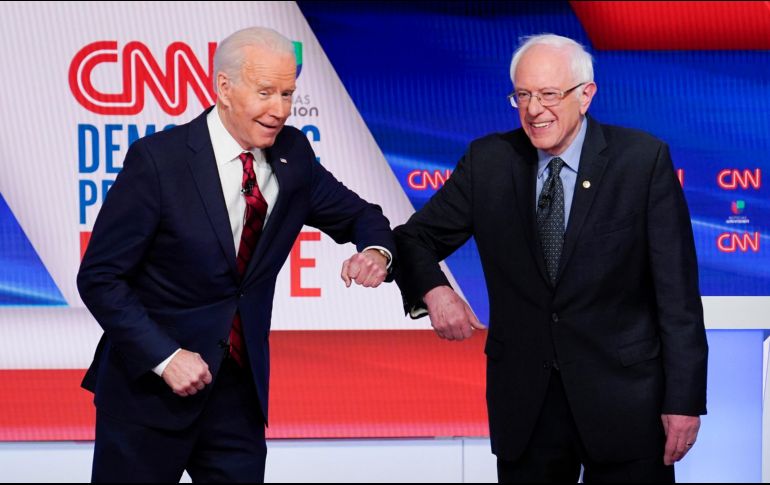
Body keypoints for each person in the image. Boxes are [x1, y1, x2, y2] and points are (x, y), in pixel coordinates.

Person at [77, 26, 395, 483]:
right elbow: (100, 278)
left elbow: (362, 215)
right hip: (147, 394)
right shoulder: (158, 162)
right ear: (223, 88)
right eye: (266, 92)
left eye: (288, 93)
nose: (280, 110)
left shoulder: (293, 154)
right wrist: (166, 357)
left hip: (237, 399)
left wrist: (377, 251)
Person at [393, 33, 707, 483]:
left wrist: (684, 399)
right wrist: (435, 290)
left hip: (625, 403)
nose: (534, 110)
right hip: (528, 407)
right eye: (522, 95)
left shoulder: (641, 161)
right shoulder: (490, 162)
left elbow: (677, 295)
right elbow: (414, 238)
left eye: (547, 95)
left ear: (585, 96)